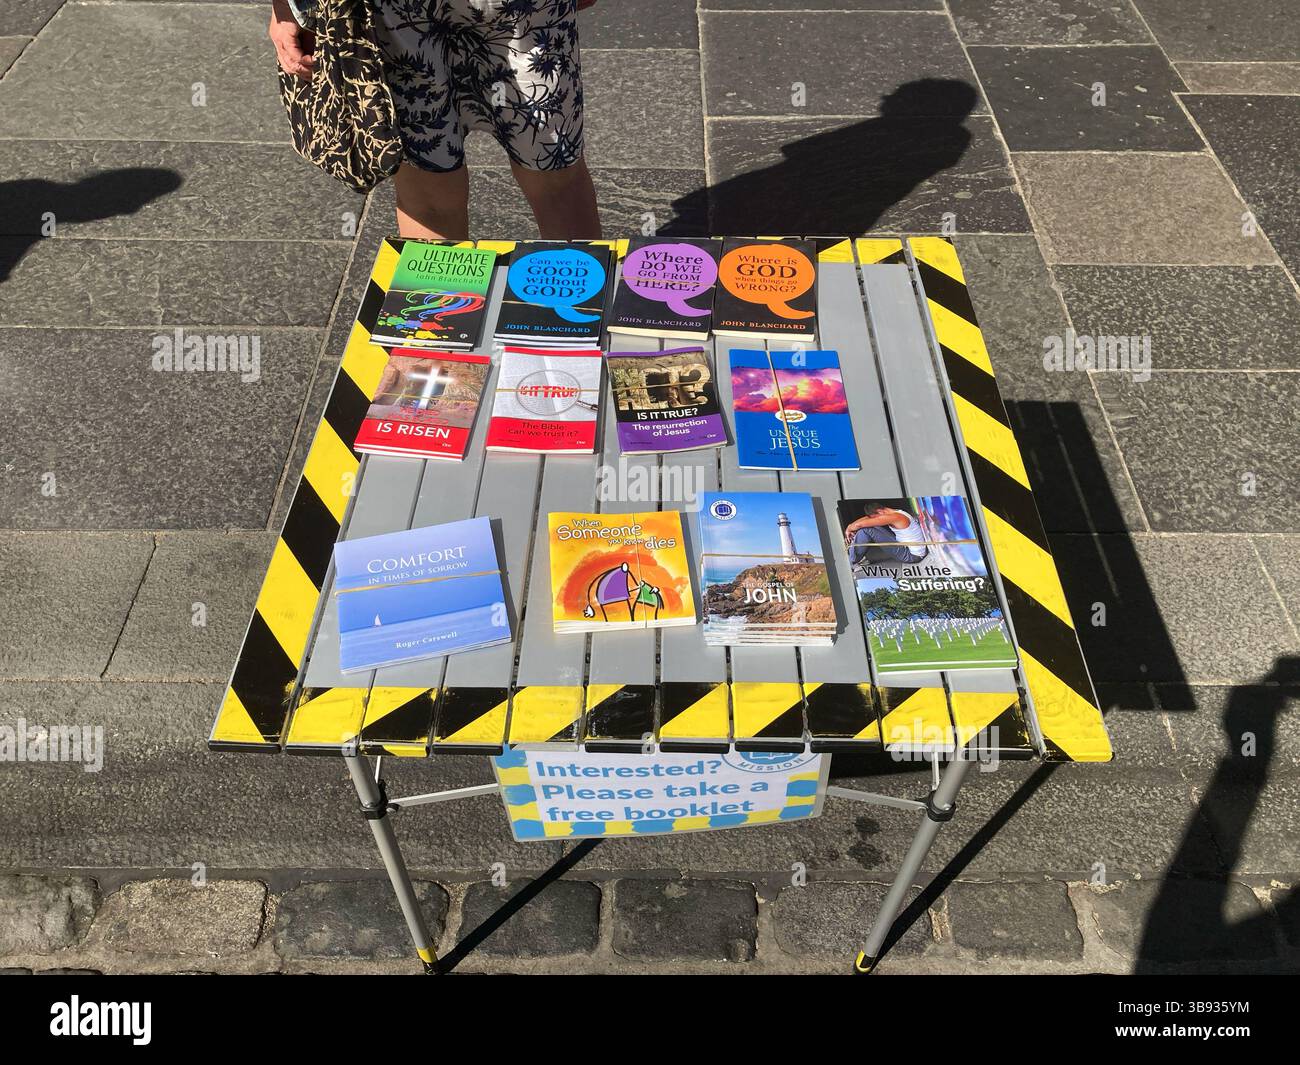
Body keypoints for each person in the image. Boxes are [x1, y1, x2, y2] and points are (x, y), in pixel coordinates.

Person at [269, 0, 601, 241]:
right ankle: (440, 324)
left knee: (554, 174)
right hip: (394, 12)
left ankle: (574, 324)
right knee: (429, 191)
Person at [843, 505, 929, 567]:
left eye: (876, 517)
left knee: (866, 530)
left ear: (880, 512)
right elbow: (868, 519)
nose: (875, 519)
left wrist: (848, 529)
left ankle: (852, 561)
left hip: (911, 555)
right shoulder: (896, 512)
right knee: (872, 526)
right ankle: (855, 554)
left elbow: (859, 525)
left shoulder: (894, 517)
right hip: (905, 546)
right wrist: (850, 526)